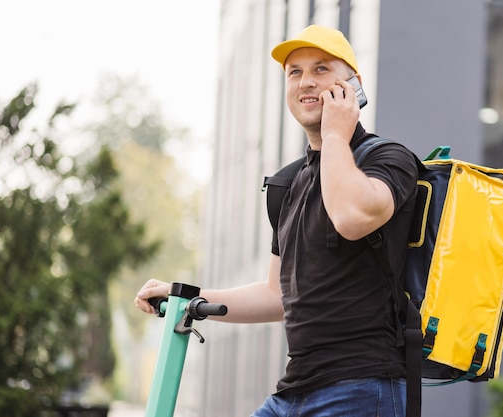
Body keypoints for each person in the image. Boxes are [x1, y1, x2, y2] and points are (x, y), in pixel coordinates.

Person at [134, 24, 418, 417]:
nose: (306, 82)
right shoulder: (289, 184)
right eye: (295, 72)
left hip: (364, 388)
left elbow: (351, 217)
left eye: (321, 69)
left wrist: (336, 136)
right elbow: (276, 294)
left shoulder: (389, 159)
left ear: (353, 84)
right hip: (295, 391)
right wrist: (186, 297)